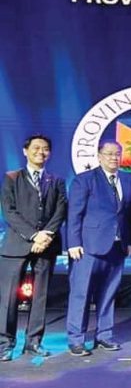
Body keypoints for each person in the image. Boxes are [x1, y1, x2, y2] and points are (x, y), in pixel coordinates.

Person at [66, 141, 131, 356]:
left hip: (117, 246)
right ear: (99, 156)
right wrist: (73, 243)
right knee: (81, 294)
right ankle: (76, 339)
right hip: (88, 247)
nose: (113, 158)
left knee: (108, 294)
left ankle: (104, 336)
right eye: (108, 154)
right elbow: (74, 214)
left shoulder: (128, 180)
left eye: (117, 154)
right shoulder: (84, 180)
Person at [0, 135, 67, 362]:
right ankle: (5, 344)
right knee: (8, 298)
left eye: (46, 149)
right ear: (25, 150)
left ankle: (34, 342)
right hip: (17, 244)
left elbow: (60, 211)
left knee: (41, 297)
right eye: (36, 148)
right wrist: (33, 235)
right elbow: (9, 211)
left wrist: (46, 234)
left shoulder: (55, 180)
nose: (41, 152)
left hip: (46, 245)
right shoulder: (12, 177)